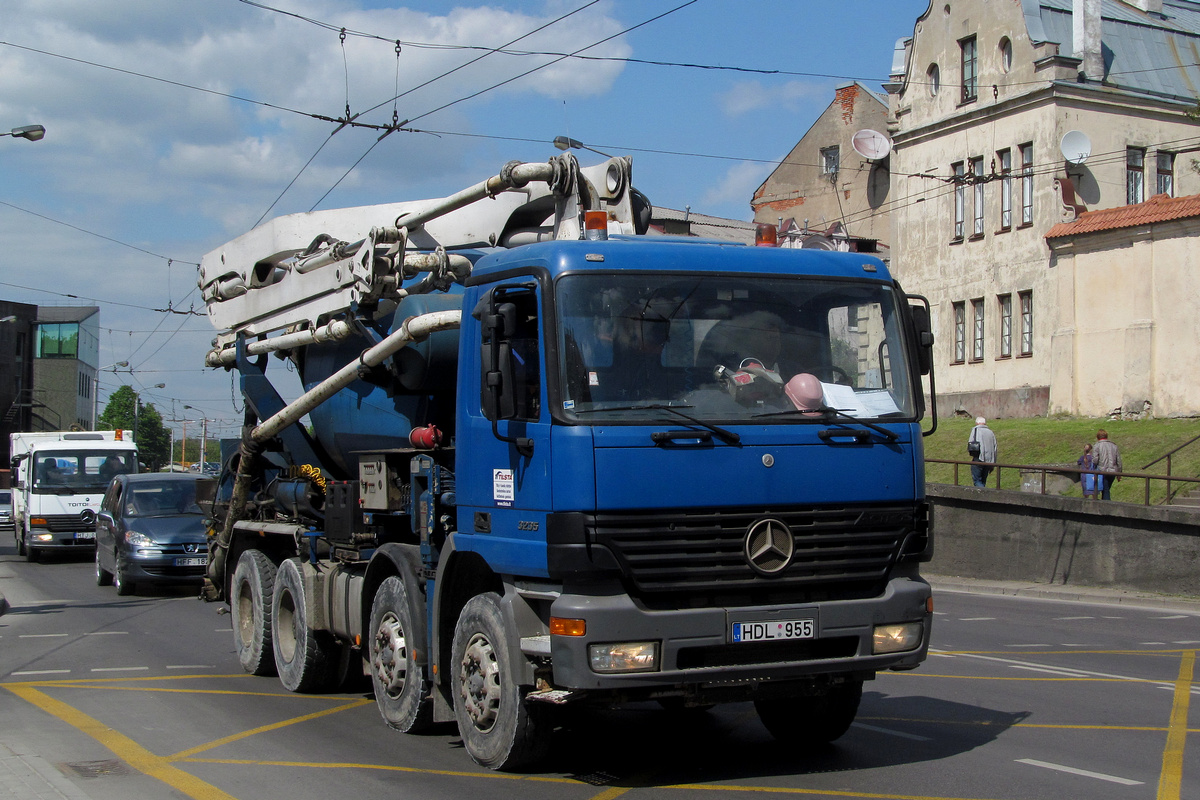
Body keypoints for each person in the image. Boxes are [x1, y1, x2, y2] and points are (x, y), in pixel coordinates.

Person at [968, 416, 998, 488]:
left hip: (978, 458)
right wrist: (993, 463)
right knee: (983, 480)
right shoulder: (991, 432)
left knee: (977, 480)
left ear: (977, 423)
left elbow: (970, 443)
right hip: (989, 460)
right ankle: (984, 494)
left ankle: (984, 495)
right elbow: (995, 448)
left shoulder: (975, 430)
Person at [1093, 429, 1122, 501]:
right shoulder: (1114, 446)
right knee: (1106, 488)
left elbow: (1095, 460)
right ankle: (1105, 502)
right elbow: (1119, 461)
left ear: (1098, 437)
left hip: (1102, 470)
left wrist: (1094, 467)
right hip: (1113, 471)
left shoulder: (1097, 446)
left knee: (1105, 490)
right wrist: (1119, 473)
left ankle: (1106, 505)